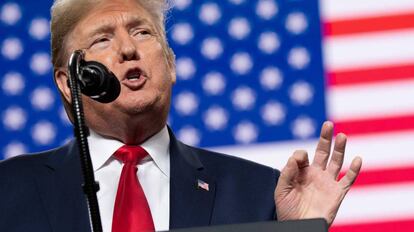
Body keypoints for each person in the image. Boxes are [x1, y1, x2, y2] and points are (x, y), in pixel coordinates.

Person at [0, 0, 362, 231]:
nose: (128, 49)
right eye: (102, 40)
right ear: (69, 82)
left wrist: (298, 230)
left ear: (170, 64)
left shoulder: (261, 195)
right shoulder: (9, 189)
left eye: (142, 32)